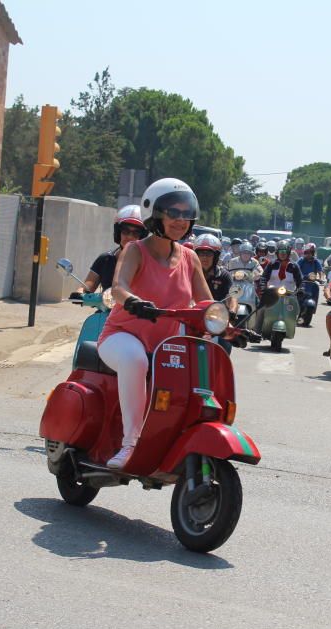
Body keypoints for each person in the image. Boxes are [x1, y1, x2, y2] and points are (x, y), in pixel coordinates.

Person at [98, 178, 214, 470]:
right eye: (172, 212)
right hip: (122, 336)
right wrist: (133, 301)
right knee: (136, 360)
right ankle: (130, 445)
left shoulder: (190, 258)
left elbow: (205, 303)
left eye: (186, 213)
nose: (180, 220)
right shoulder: (135, 250)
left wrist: (227, 320)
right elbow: (119, 286)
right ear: (154, 213)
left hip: (166, 345)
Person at [78, 205, 148, 294]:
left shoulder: (147, 263)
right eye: (125, 231)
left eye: (136, 233)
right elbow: (89, 283)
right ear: (118, 233)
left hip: (134, 307)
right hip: (106, 307)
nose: (130, 236)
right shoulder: (106, 259)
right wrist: (80, 291)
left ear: (142, 236)